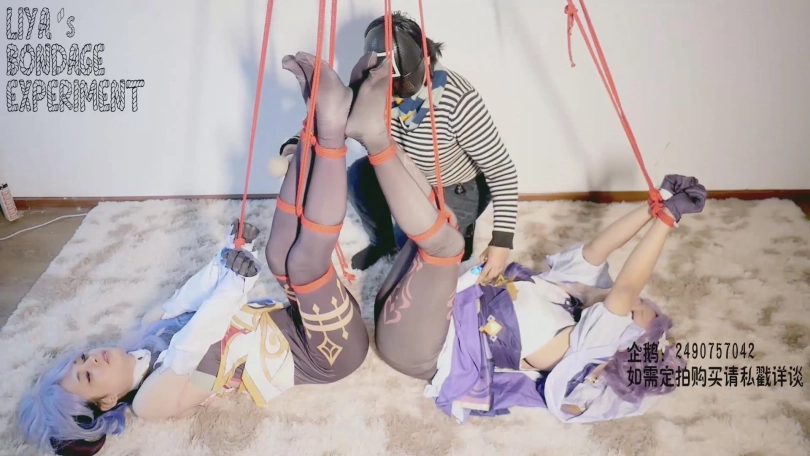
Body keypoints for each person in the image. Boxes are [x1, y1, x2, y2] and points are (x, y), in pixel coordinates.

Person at [16, 52, 369, 455]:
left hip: (299, 321)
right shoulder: (150, 403)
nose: (92, 360)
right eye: (88, 377)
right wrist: (236, 285)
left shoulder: (148, 330)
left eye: (82, 360)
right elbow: (195, 340)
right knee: (303, 264)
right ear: (108, 403)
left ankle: (315, 124)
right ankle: (331, 129)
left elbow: (192, 295)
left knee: (277, 253)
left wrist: (228, 254)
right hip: (327, 354)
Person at [345, 50, 706, 422]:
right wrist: (657, 204)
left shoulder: (590, 349)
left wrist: (668, 220)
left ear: (623, 340)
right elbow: (601, 248)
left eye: (637, 311)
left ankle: (372, 135)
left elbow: (627, 287)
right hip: (420, 309)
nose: (636, 300)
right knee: (433, 210)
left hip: (421, 346)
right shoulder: (569, 294)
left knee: (446, 242)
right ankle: (361, 112)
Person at [277, 12, 519, 283]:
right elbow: (334, 116)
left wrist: (502, 241)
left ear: (426, 59)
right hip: (405, 172)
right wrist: (297, 146)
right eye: (388, 81)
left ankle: (464, 229)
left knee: (418, 245)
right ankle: (382, 242)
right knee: (358, 177)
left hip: (457, 186)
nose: (393, 90)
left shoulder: (458, 99)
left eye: (402, 81)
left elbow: (501, 169)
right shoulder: (376, 84)